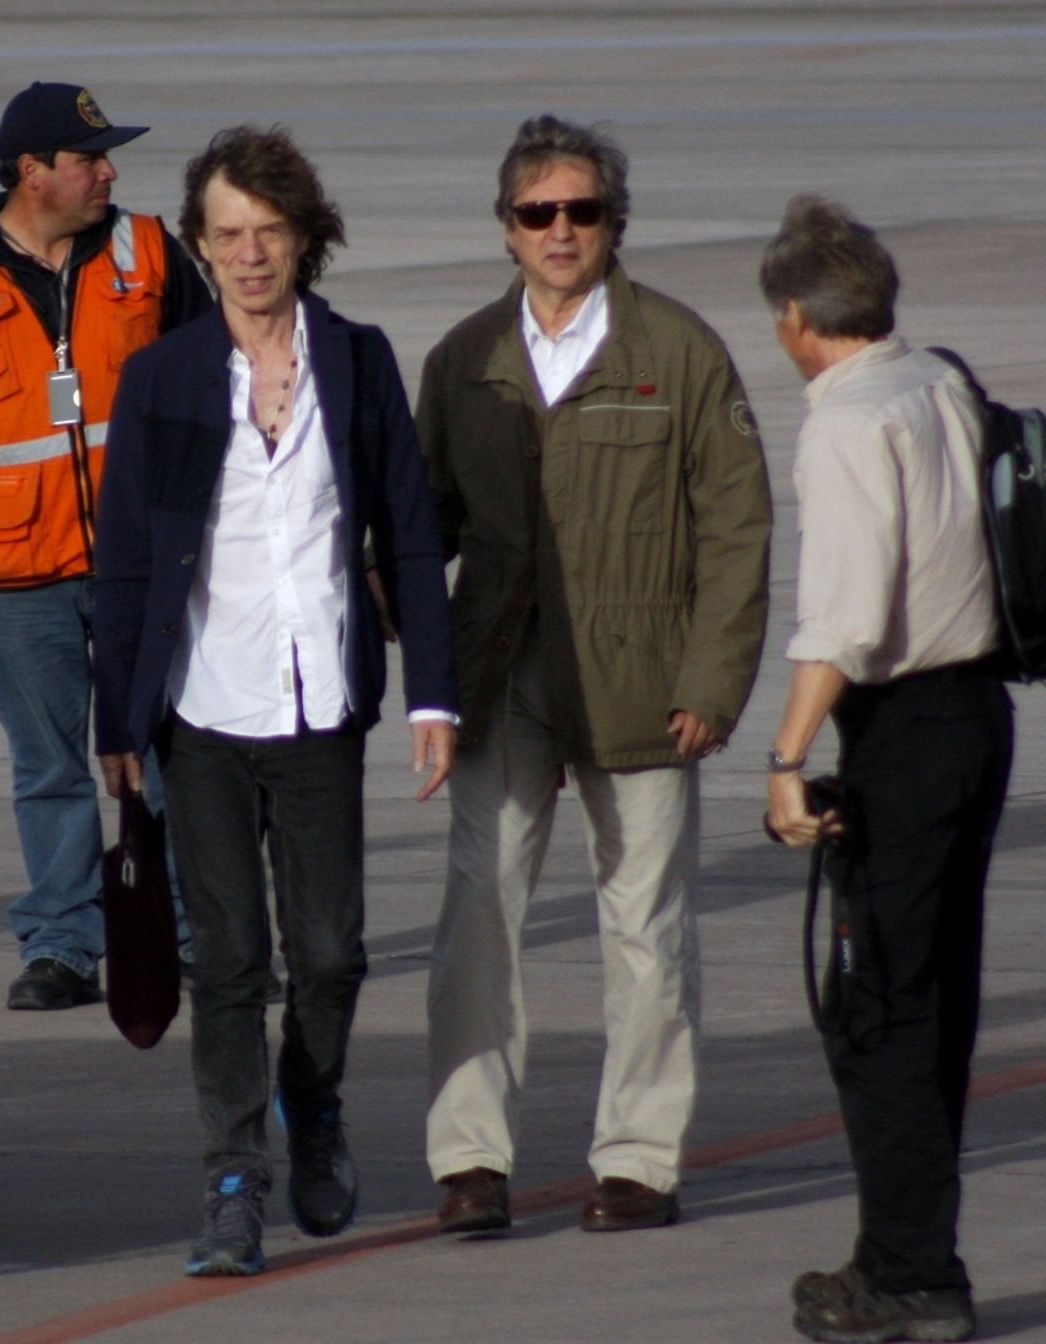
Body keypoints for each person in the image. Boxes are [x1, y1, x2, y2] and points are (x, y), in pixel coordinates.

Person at [93, 126, 458, 1278]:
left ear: (306, 238)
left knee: (334, 954)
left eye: (270, 232)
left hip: (321, 705)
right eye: (228, 234)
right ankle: (233, 1185)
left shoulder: (357, 359)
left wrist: (433, 699)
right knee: (231, 963)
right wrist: (117, 721)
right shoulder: (162, 378)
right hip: (203, 708)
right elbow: (127, 563)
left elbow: (406, 527)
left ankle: (317, 1101)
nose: (250, 255)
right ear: (200, 248)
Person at [417, 115, 772, 1236]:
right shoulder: (464, 360)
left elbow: (737, 528)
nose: (562, 230)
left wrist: (713, 685)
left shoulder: (679, 351)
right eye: (539, 213)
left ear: (615, 222)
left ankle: (640, 1159)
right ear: (508, 229)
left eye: (583, 211)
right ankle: (470, 1160)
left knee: (648, 927)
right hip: (504, 675)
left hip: (644, 685)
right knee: (479, 908)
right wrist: (418, 665)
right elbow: (416, 528)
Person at [0, 81, 211, 1010]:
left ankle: (195, 929)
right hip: (19, 573)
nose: (109, 172)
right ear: (32, 173)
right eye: (89, 158)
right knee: (50, 766)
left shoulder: (150, 251)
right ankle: (65, 942)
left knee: (175, 749)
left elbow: (203, 387)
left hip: (145, 564)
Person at [761, 197, 1009, 1344]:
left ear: (796, 317)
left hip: (902, 733)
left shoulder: (847, 419)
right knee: (936, 999)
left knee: (882, 1012)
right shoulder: (942, 382)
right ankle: (904, 1253)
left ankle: (911, 1276)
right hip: (976, 717)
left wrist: (787, 755)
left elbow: (849, 620)